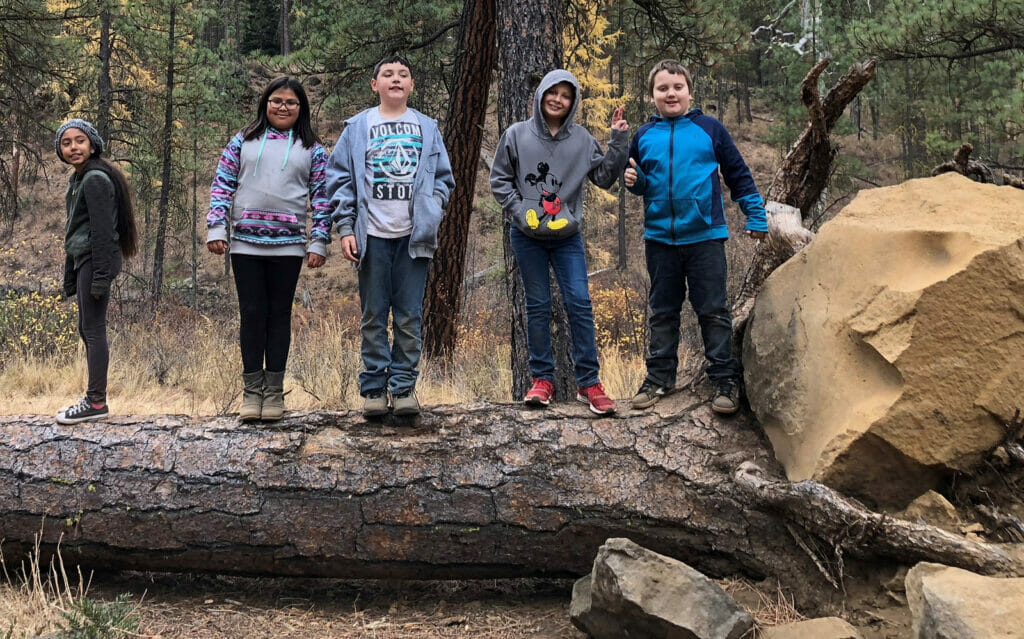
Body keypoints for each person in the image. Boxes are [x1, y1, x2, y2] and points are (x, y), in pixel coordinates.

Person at [624, 59, 768, 414]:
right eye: (662, 88)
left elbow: (738, 173)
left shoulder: (710, 129)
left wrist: (756, 215)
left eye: (677, 87)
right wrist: (637, 183)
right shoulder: (643, 136)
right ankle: (659, 379)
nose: (670, 93)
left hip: (705, 236)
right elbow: (639, 180)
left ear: (689, 91)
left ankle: (724, 381)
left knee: (713, 310)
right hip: (660, 239)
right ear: (652, 95)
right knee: (662, 312)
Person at [489, 69, 629, 415]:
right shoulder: (516, 134)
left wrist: (618, 141)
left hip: (567, 238)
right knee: (536, 305)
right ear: (540, 95)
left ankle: (589, 384)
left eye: (566, 96)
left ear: (573, 103)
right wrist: (520, 211)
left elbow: (604, 177)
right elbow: (499, 180)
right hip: (526, 236)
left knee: (579, 302)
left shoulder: (581, 140)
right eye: (553, 92)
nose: (558, 99)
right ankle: (542, 380)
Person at [325, 55, 454, 418]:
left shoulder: (427, 127)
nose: (395, 79)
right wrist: (346, 228)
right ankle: (374, 390)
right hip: (373, 238)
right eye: (387, 74)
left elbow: (444, 178)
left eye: (403, 74)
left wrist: (434, 209)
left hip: (414, 239)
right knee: (373, 315)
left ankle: (403, 388)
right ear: (375, 85)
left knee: (410, 316)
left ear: (411, 86)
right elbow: (339, 181)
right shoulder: (358, 127)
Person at [207, 76, 332, 422]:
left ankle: (274, 393)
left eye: (291, 102)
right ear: (265, 103)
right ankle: (251, 393)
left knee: (278, 316)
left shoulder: (313, 149)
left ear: (301, 108)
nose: (282, 107)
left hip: (289, 246)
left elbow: (323, 200)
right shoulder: (242, 141)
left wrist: (319, 240)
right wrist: (217, 227)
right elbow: (222, 186)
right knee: (251, 314)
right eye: (276, 100)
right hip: (245, 244)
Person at [55, 119, 139, 425]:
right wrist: (70, 272)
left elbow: (103, 233)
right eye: (66, 143)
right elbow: (74, 231)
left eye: (79, 141)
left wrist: (101, 276)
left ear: (92, 144)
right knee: (86, 328)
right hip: (86, 259)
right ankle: (94, 399)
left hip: (96, 259)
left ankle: (96, 402)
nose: (73, 147)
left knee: (93, 329)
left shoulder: (94, 179)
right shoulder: (79, 179)